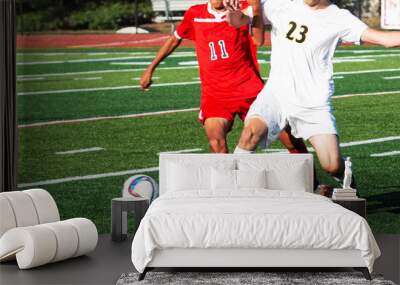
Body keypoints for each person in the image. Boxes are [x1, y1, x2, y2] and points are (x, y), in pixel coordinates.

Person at [224, 0, 400, 189]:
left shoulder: (339, 18)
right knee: (250, 134)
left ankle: (348, 184)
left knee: (331, 165)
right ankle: (231, 190)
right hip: (276, 94)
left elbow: (386, 40)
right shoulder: (280, 5)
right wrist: (233, 14)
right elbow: (239, 20)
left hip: (312, 102)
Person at [140, 0, 309, 155]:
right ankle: (232, 186)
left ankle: (314, 182)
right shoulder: (195, 14)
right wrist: (150, 68)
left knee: (287, 137)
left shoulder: (243, 9)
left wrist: (254, 9)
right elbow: (174, 39)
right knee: (216, 142)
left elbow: (258, 39)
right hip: (215, 94)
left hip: (249, 88)